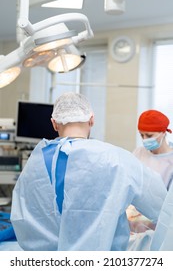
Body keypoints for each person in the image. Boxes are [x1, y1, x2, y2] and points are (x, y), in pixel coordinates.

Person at [10, 92, 166, 251]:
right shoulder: (117, 158)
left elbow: (22, 220)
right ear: (92, 119)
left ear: (54, 123)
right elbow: (162, 205)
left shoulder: (34, 163)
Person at [127, 109, 173, 233]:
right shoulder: (139, 152)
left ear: (163, 132)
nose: (144, 139)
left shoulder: (171, 161)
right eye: (142, 135)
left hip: (159, 222)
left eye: (149, 135)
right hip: (134, 220)